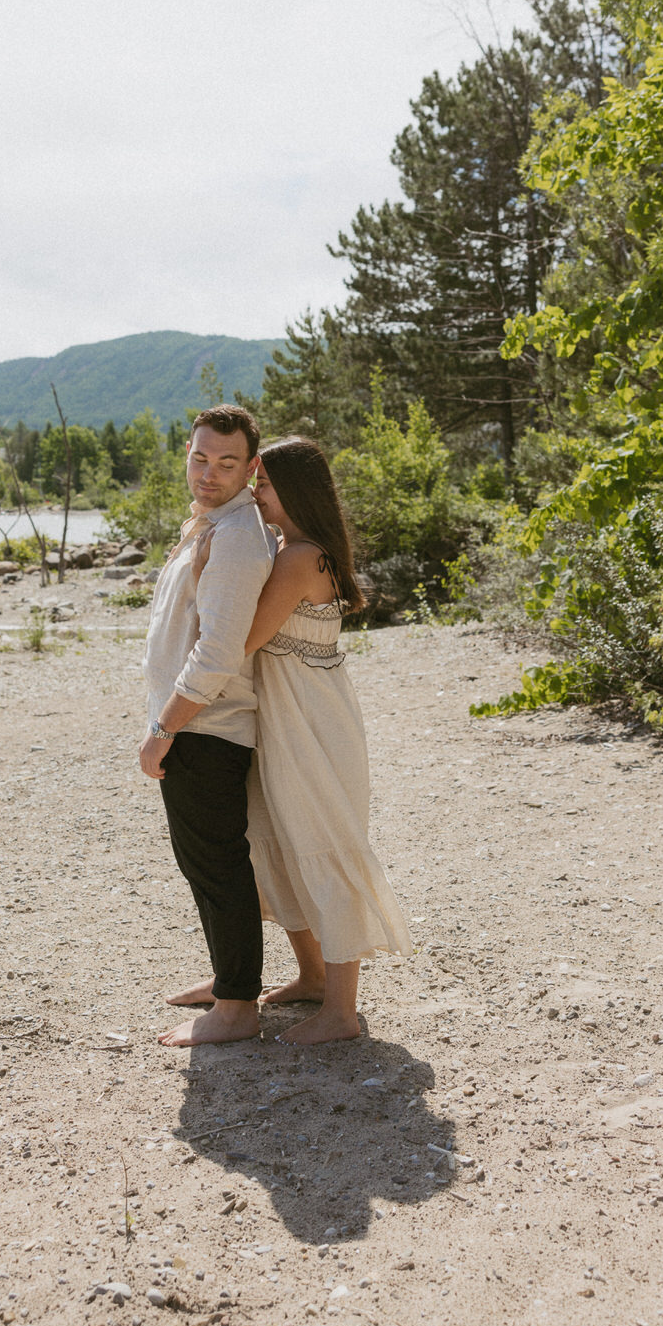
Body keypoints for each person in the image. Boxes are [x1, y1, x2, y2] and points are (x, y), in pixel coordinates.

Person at [243, 436, 412, 1044]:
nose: (253, 493)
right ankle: (313, 978)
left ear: (293, 491)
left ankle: (341, 1011)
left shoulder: (297, 559)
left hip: (309, 722)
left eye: (262, 484)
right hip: (302, 713)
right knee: (285, 840)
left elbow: (246, 639)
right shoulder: (299, 549)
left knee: (322, 841)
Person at [139, 404, 277, 1047]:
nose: (209, 472)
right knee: (202, 862)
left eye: (227, 463)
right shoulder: (211, 525)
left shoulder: (237, 534)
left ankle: (238, 1008)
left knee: (216, 863)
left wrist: (164, 729)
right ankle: (230, 982)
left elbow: (220, 652)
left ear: (252, 469)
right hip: (196, 725)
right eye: (200, 457)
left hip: (206, 727)